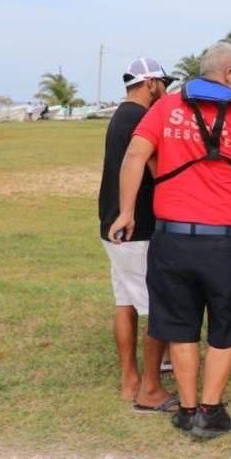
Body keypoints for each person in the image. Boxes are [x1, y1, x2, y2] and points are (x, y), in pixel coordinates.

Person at [108, 41, 231, 439]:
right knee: (226, 326)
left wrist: (127, 211)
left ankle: (187, 410)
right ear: (230, 74)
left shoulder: (165, 107)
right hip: (226, 242)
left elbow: (135, 156)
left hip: (172, 241)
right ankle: (210, 411)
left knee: (181, 325)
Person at [97, 57, 176, 412]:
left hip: (112, 223)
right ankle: (149, 388)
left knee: (125, 302)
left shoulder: (120, 116)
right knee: (156, 308)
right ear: (150, 84)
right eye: (163, 84)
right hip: (137, 226)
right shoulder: (143, 118)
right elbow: (159, 169)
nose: (165, 90)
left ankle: (130, 378)